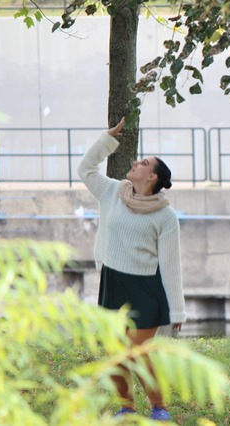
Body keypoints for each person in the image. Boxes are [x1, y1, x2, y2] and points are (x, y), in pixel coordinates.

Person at [77, 117, 186, 420]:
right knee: (115, 354)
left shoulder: (165, 216)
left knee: (137, 352)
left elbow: (171, 264)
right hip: (113, 281)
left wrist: (177, 311)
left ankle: (159, 407)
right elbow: (85, 169)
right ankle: (126, 407)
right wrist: (106, 140)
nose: (136, 163)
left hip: (146, 290)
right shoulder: (114, 192)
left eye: (143, 163)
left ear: (152, 177)